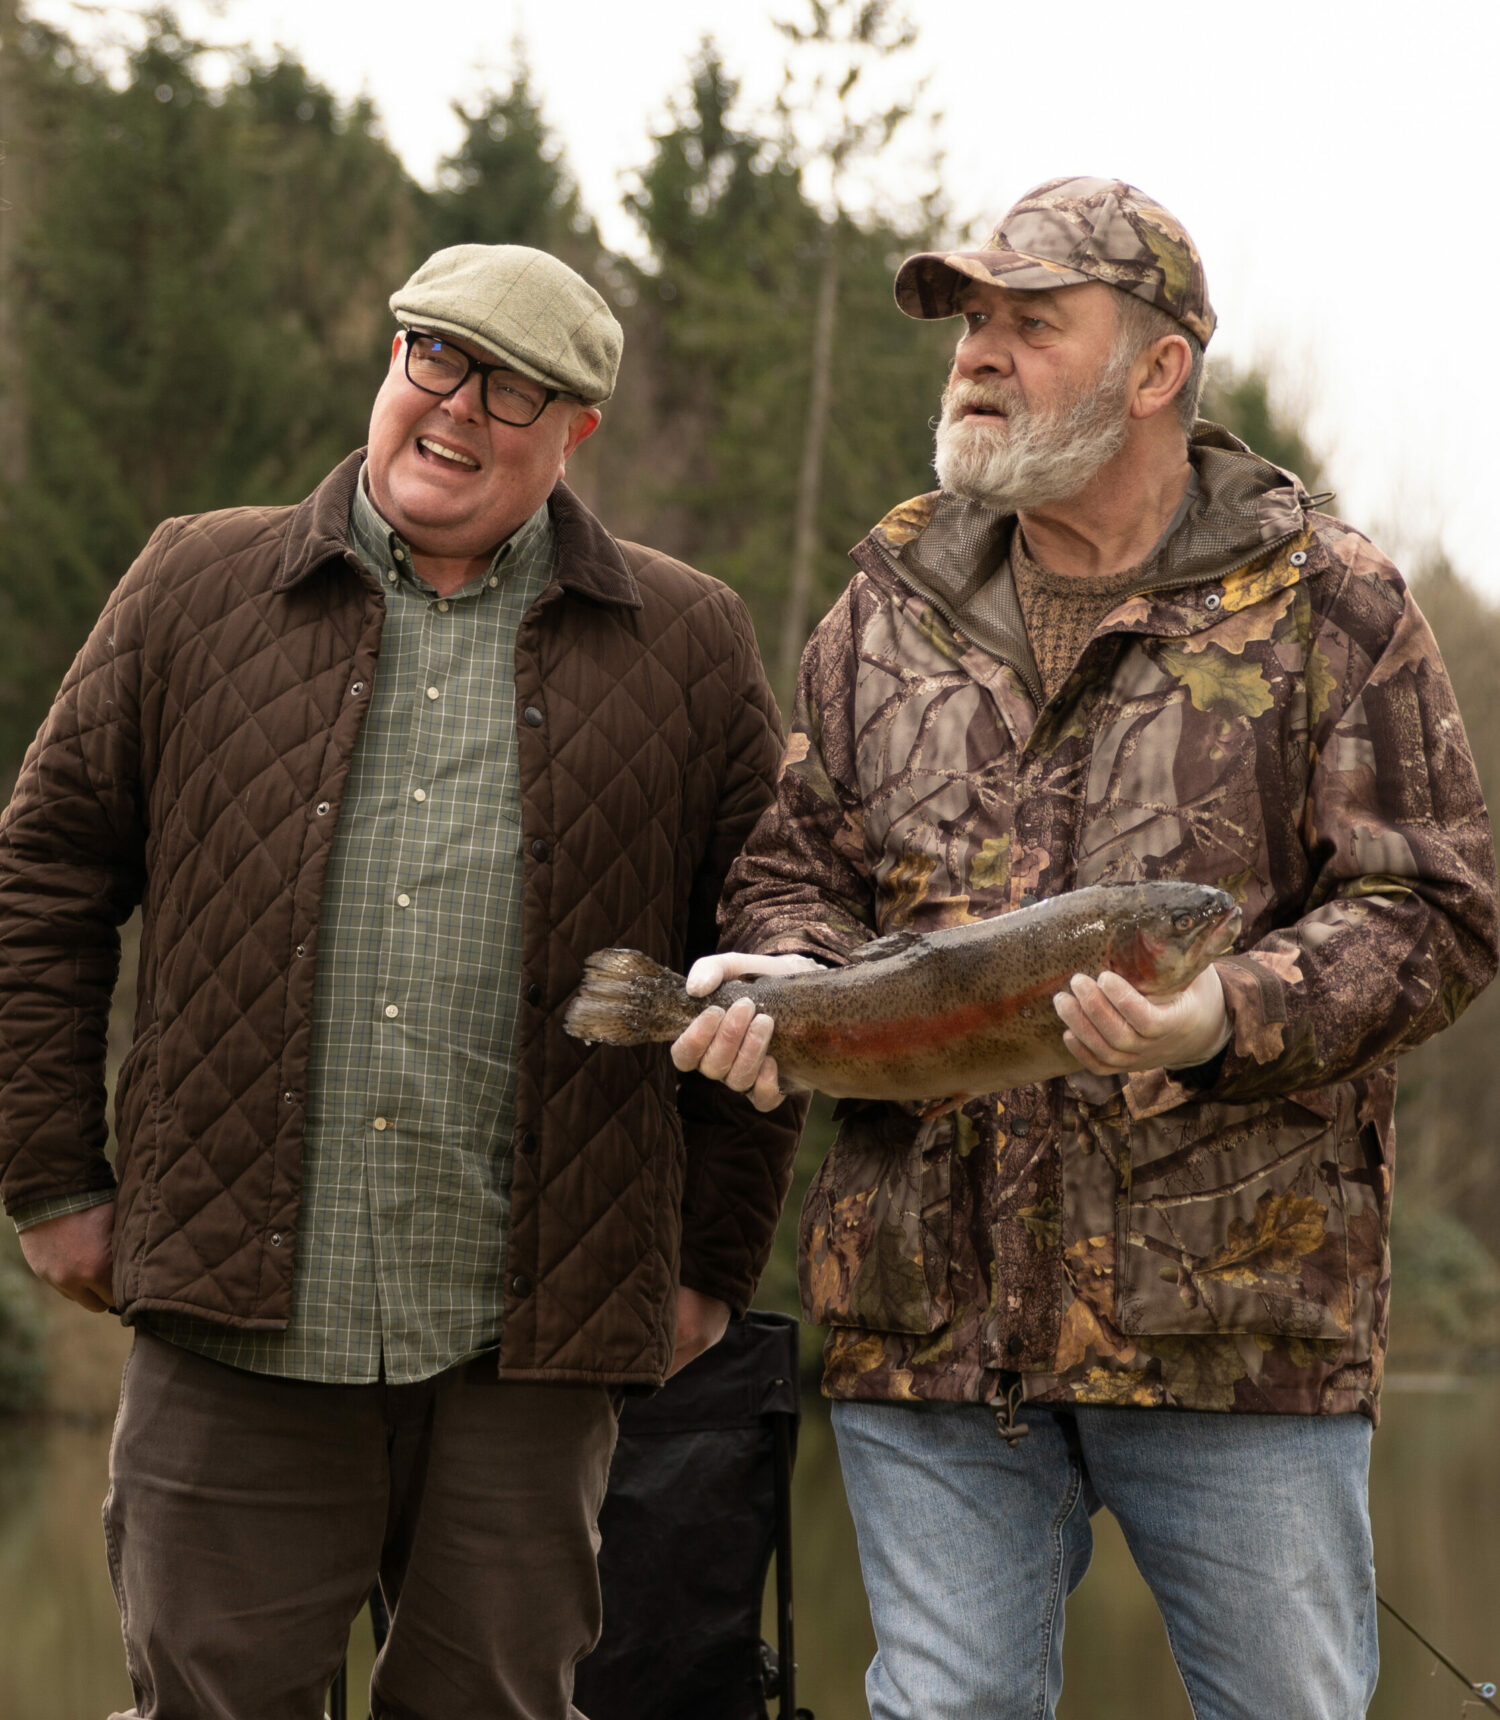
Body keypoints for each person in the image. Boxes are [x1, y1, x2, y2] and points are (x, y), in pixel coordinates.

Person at [674, 177, 1499, 1720]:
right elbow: (799, 871)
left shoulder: (1335, 603)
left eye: (1030, 324)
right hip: (925, 1323)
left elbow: (1437, 909)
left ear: (1157, 367)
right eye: (969, 323)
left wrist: (1228, 1015)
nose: (978, 354)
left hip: (1234, 1330)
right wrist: (775, 971)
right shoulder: (887, 603)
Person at [0, 242, 801, 1720]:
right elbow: (39, 882)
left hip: (532, 1341)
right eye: (436, 357)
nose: (460, 407)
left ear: (578, 432)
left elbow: (771, 957)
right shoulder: (193, 582)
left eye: (515, 389)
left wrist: (708, 1261)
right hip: (231, 1315)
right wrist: (49, 1174)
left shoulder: (690, 639)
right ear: (390, 362)